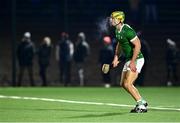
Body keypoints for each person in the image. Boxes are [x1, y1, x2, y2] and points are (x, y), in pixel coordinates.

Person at [108, 11, 148, 113]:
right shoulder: (117, 31)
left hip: (137, 59)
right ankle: (142, 101)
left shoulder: (127, 30)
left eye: (114, 18)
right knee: (123, 84)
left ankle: (141, 105)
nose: (111, 20)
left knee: (129, 84)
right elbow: (119, 44)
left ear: (120, 20)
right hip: (129, 59)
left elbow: (138, 45)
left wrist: (133, 62)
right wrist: (116, 57)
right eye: (111, 18)